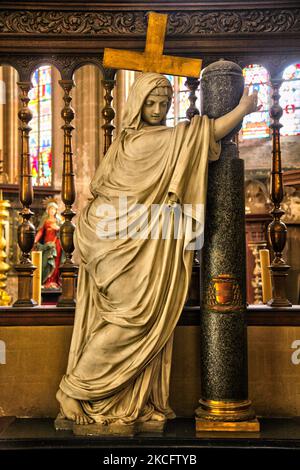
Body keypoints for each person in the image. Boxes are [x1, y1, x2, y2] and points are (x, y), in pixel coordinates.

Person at [56, 72, 259, 426]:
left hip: (134, 237)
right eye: (150, 103)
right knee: (130, 320)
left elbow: (194, 139)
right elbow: (204, 133)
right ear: (137, 103)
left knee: (134, 320)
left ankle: (112, 395)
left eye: (164, 103)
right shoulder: (137, 143)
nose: (158, 109)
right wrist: (241, 110)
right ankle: (73, 389)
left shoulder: (151, 140)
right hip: (115, 243)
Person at [34, 201, 64, 289]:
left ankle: (54, 281)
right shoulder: (45, 220)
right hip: (47, 245)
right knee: (47, 262)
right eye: (51, 209)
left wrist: (58, 228)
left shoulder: (59, 220)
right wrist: (35, 240)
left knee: (56, 262)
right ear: (48, 210)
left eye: (54, 209)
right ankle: (47, 281)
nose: (52, 211)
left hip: (57, 244)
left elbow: (64, 230)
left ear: (56, 211)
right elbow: (40, 231)